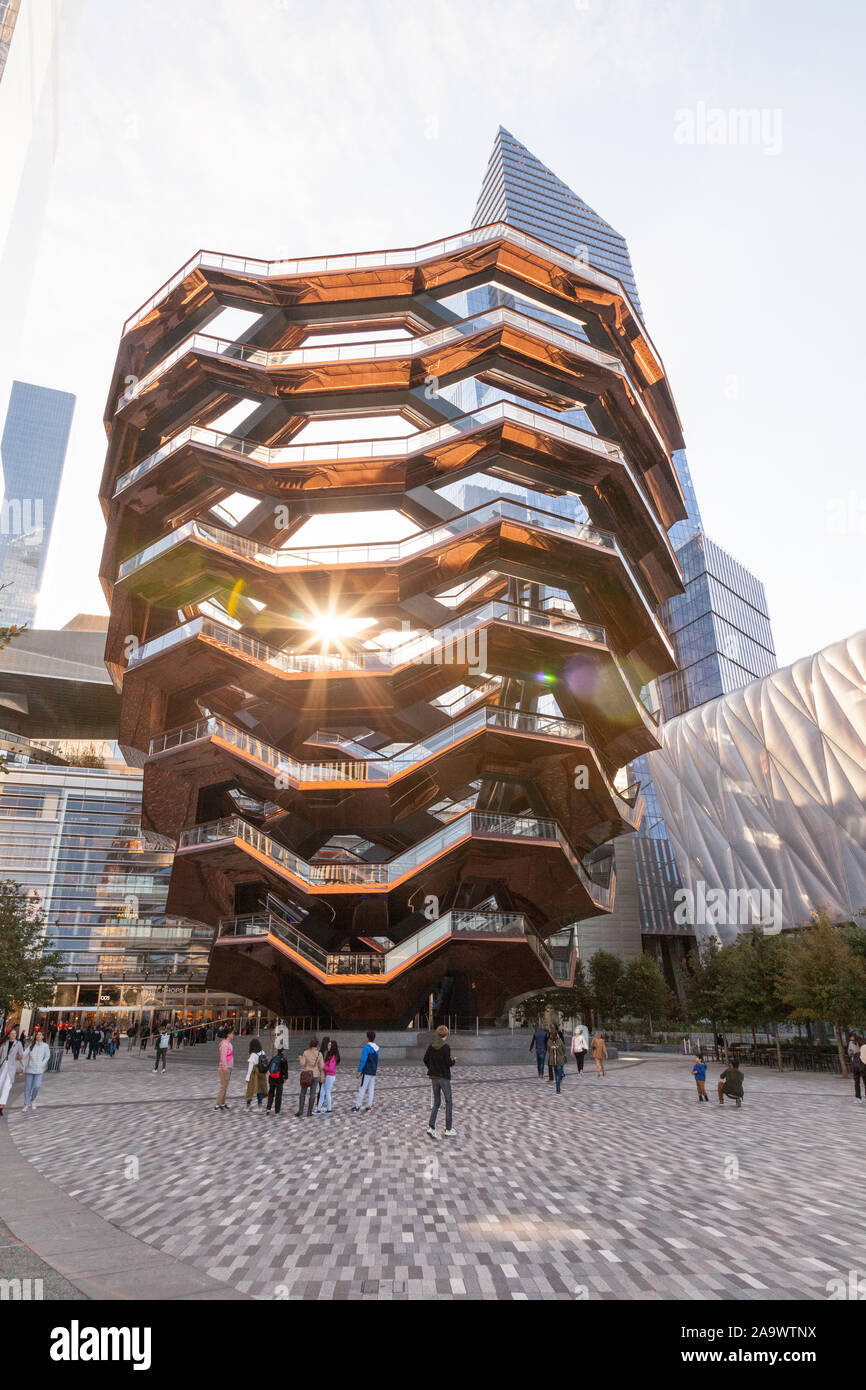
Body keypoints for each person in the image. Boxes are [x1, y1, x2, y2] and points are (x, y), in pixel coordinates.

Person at [424, 1024, 456, 1137]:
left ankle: (431, 1127)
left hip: (434, 1077)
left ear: (438, 1034)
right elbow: (448, 1063)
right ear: (446, 1034)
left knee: (437, 1102)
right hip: (444, 1078)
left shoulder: (431, 1045)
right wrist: (454, 1061)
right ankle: (448, 1128)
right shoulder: (446, 1047)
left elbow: (425, 1059)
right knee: (448, 1101)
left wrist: (431, 1068)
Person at [22, 1028, 51, 1112]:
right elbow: (24, 1054)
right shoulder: (31, 1045)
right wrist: (20, 1055)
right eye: (37, 1035)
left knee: (37, 1086)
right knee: (28, 1087)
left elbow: (47, 1056)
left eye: (40, 1035)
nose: (38, 1036)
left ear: (43, 1037)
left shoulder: (45, 1046)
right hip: (30, 1069)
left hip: (39, 1070)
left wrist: (42, 1064)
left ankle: (33, 1099)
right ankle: (26, 1104)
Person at [296, 1037, 324, 1117]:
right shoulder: (319, 1054)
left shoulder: (305, 1052)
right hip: (315, 1075)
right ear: (317, 1045)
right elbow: (322, 1066)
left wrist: (300, 1058)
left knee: (303, 1092)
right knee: (312, 1093)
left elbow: (302, 1064)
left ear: (310, 1044)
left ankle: (300, 1111)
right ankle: (309, 1112)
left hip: (307, 1074)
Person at [353, 1031, 379, 1112]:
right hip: (373, 1070)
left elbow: (363, 1060)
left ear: (367, 1038)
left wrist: (359, 1071)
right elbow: (377, 1060)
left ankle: (358, 1106)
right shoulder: (377, 1048)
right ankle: (369, 1105)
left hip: (367, 1070)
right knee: (371, 1088)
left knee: (362, 1088)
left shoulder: (366, 1048)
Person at [0, 1027, 25, 1115]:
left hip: (11, 1068)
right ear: (8, 1035)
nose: (13, 1035)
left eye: (15, 1033)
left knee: (7, 1086)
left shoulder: (18, 1044)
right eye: (12, 1033)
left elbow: (21, 1056)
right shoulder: (4, 1043)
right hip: (3, 1066)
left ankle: (1, 1106)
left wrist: (22, 1068)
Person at [315, 1037, 341, 1115]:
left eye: (329, 1045)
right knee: (322, 1092)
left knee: (327, 1092)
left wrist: (323, 1066)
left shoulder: (334, 1057)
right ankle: (318, 1109)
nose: (328, 1047)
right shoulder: (330, 1055)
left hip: (330, 1076)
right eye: (328, 1045)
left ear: (333, 1047)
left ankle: (329, 1109)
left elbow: (331, 1068)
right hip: (327, 1076)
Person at [244, 1037, 268, 1111]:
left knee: (250, 1089)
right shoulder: (263, 1052)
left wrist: (247, 1077)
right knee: (260, 1089)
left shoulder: (253, 1055)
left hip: (254, 1074)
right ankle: (260, 1106)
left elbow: (250, 1067)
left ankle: (248, 1106)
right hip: (262, 1073)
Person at [215, 1026, 234, 1110]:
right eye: (232, 1033)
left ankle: (223, 1103)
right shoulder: (224, 1044)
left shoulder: (229, 1044)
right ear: (228, 1034)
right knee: (223, 1086)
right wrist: (225, 1068)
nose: (233, 1035)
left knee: (225, 1086)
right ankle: (217, 1104)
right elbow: (223, 1057)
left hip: (229, 1068)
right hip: (224, 1068)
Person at [266, 1047, 288, 1115]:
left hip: (272, 1078)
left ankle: (268, 1109)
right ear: (283, 1051)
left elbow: (268, 1066)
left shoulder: (274, 1058)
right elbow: (285, 1070)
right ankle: (277, 1110)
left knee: (271, 1093)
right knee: (278, 1095)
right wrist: (285, 1078)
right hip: (279, 1079)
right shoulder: (283, 1059)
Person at [547, 1027, 567, 1093]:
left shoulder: (549, 1042)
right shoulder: (560, 1041)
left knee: (556, 1075)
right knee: (558, 1074)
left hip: (553, 1061)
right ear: (557, 1035)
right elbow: (564, 1049)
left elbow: (548, 1050)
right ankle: (558, 1089)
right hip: (560, 1060)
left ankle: (557, 1089)